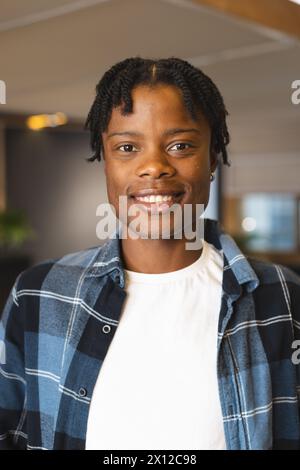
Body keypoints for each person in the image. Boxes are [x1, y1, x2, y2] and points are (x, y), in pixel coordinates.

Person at [0, 57, 299, 451]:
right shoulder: (40, 294)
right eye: (127, 147)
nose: (154, 167)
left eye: (180, 145)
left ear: (212, 159)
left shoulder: (281, 297)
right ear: (105, 161)